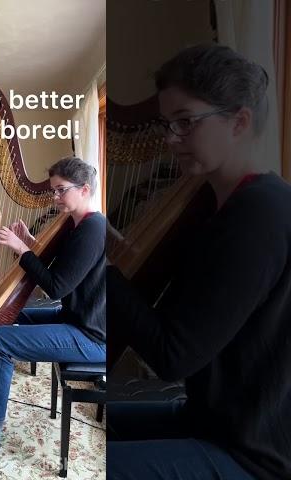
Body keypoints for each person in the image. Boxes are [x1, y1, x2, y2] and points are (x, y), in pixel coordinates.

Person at [107, 44, 291, 480]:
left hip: (250, 451)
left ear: (239, 122)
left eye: (185, 122)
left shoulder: (260, 214)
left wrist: (106, 275)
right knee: (95, 428)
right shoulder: (220, 202)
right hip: (213, 418)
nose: (171, 139)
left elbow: (174, 356)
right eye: (168, 124)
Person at [0, 156, 106, 459]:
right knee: (2, 316)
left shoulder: (93, 229)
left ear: (84, 189)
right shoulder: (75, 225)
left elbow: (56, 286)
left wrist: (22, 250)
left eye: (61, 190)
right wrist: (31, 242)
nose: (55, 197)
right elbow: (64, 270)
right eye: (53, 191)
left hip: (91, 337)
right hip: (73, 317)